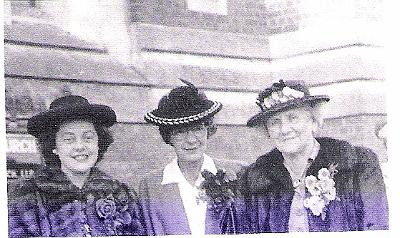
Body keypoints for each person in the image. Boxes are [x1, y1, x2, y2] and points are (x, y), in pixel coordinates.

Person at [238, 80, 388, 232]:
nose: (284, 129)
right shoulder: (254, 179)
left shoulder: (358, 165)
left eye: (293, 118)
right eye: (274, 122)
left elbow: (376, 227)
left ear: (314, 122)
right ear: (268, 131)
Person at [8, 95, 146, 237]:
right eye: (69, 139)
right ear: (54, 146)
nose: (80, 146)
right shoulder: (27, 199)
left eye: (88, 137)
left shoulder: (120, 194)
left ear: (99, 143)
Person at [140, 80, 244, 235]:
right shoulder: (151, 187)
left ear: (208, 130)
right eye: (180, 131)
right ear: (169, 137)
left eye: (197, 129)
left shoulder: (236, 174)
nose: (191, 139)